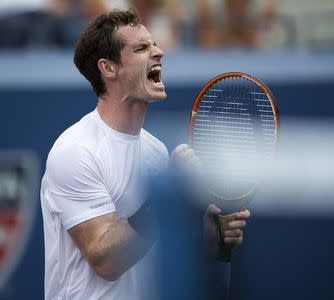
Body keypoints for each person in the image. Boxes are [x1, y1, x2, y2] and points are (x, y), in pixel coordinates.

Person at [40, 9, 250, 299]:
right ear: (109, 68)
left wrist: (213, 241)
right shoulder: (74, 151)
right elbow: (106, 260)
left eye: (154, 44)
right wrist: (165, 192)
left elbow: (157, 249)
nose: (159, 52)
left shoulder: (156, 152)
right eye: (142, 48)